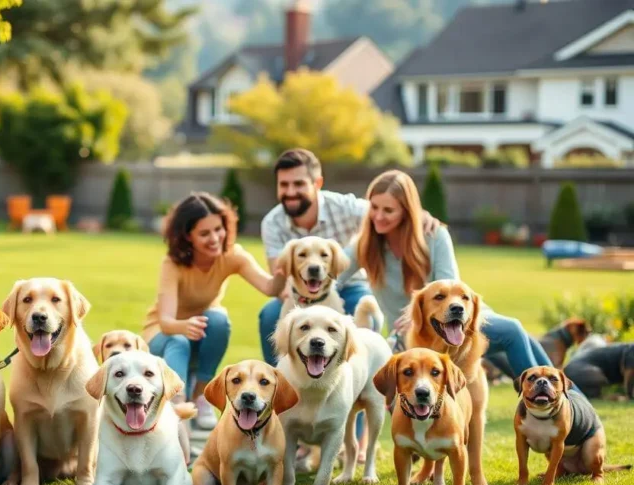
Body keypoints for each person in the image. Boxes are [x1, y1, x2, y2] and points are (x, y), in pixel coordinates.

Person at [337, 169, 564, 386]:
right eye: (374, 207)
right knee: (515, 337)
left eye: (388, 210)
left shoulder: (434, 236)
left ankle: (559, 399)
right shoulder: (365, 245)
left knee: (513, 333)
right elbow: (333, 274)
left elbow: (453, 292)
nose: (378, 216)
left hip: (456, 322)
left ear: (407, 211)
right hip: (416, 335)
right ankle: (566, 400)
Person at [258, 149, 439, 367]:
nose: (290, 191)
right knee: (269, 315)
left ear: (317, 183)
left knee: (364, 314)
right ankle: (281, 383)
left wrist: (419, 215)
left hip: (350, 284)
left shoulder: (346, 207)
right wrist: (299, 296)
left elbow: (384, 211)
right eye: (284, 185)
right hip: (297, 292)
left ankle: (361, 377)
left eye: (298, 184)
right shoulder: (272, 223)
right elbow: (278, 275)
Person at [142, 192, 286, 431]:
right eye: (204, 233)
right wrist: (183, 326)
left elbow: (269, 287)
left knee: (218, 320)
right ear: (187, 236)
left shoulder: (232, 256)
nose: (215, 238)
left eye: (218, 229)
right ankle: (177, 408)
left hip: (202, 328)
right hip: (164, 332)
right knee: (179, 341)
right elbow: (166, 321)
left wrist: (282, 274)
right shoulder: (173, 263)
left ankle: (199, 399)